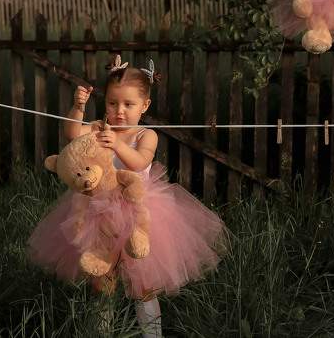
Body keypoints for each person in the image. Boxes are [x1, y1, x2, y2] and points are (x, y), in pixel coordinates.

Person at [30, 56, 227, 338]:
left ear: (144, 106)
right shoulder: (99, 128)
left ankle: (152, 334)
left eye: (128, 104)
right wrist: (78, 107)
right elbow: (73, 133)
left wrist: (117, 146)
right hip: (99, 214)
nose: (119, 111)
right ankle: (101, 331)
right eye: (112, 103)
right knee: (102, 280)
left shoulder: (146, 135)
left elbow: (139, 162)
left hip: (139, 215)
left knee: (142, 284)